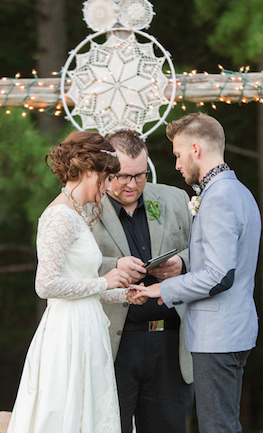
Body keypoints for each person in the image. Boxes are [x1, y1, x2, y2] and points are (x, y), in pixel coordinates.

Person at [7, 130, 146, 433]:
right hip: (67, 335)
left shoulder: (77, 213)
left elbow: (80, 286)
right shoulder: (60, 216)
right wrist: (104, 283)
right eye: (108, 177)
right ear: (89, 171)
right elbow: (46, 285)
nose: (110, 186)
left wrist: (123, 293)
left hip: (86, 326)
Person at [133, 113, 261, 433]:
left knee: (217, 427)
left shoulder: (218, 198)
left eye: (178, 155)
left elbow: (219, 274)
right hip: (233, 329)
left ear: (196, 149)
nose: (177, 164)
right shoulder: (239, 192)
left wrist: (162, 290)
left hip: (217, 335)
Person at [90, 129, 194, 433]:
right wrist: (115, 268)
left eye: (140, 175)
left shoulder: (175, 199)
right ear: (106, 170)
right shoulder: (86, 207)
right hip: (115, 344)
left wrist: (182, 263)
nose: (133, 184)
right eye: (123, 176)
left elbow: (204, 250)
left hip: (171, 342)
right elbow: (72, 269)